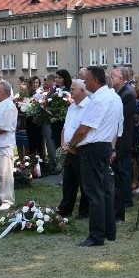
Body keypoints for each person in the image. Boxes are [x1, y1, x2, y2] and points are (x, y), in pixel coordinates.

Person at [65, 66, 122, 247]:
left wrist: (71, 144)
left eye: (87, 79)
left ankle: (96, 236)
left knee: (94, 193)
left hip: (93, 148)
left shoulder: (98, 99)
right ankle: (108, 231)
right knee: (104, 190)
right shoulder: (114, 97)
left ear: (95, 81)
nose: (85, 82)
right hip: (104, 146)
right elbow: (117, 128)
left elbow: (84, 128)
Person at [58, 79, 89, 219]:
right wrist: (64, 143)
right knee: (69, 181)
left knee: (85, 182)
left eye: (73, 89)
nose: (70, 92)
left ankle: (84, 211)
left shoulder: (89, 106)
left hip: (81, 149)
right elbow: (65, 127)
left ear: (82, 91)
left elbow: (84, 130)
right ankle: (65, 208)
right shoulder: (72, 107)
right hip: (69, 150)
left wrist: (73, 145)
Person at [110, 67, 136, 221]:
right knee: (120, 169)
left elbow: (122, 117)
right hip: (117, 137)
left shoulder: (127, 94)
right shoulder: (118, 93)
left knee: (124, 169)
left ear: (120, 78)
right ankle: (121, 197)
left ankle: (126, 199)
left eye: (113, 76)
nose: (111, 79)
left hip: (123, 138)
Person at [0, 81, 18, 211]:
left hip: (3, 145)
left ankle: (7, 200)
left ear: (6, 93)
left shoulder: (9, 107)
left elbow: (4, 127)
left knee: (5, 174)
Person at [25, 75, 45, 160]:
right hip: (28, 119)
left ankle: (41, 161)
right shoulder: (26, 94)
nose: (35, 85)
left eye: (37, 83)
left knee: (39, 142)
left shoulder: (41, 94)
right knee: (31, 142)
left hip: (37, 120)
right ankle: (32, 161)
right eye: (33, 83)